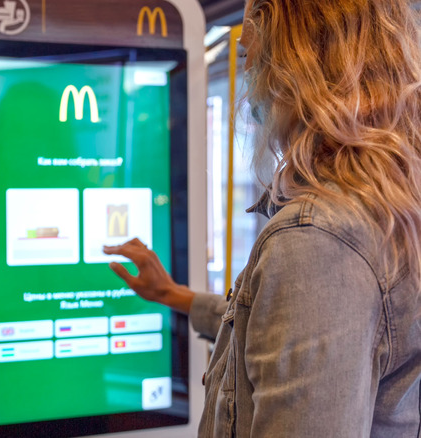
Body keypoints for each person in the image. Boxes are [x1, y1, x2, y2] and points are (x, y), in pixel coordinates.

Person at [105, 0, 421, 436]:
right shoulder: (382, 207)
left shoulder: (317, 241)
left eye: (249, 51)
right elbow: (277, 335)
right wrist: (173, 295)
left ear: (294, 65)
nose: (247, 72)